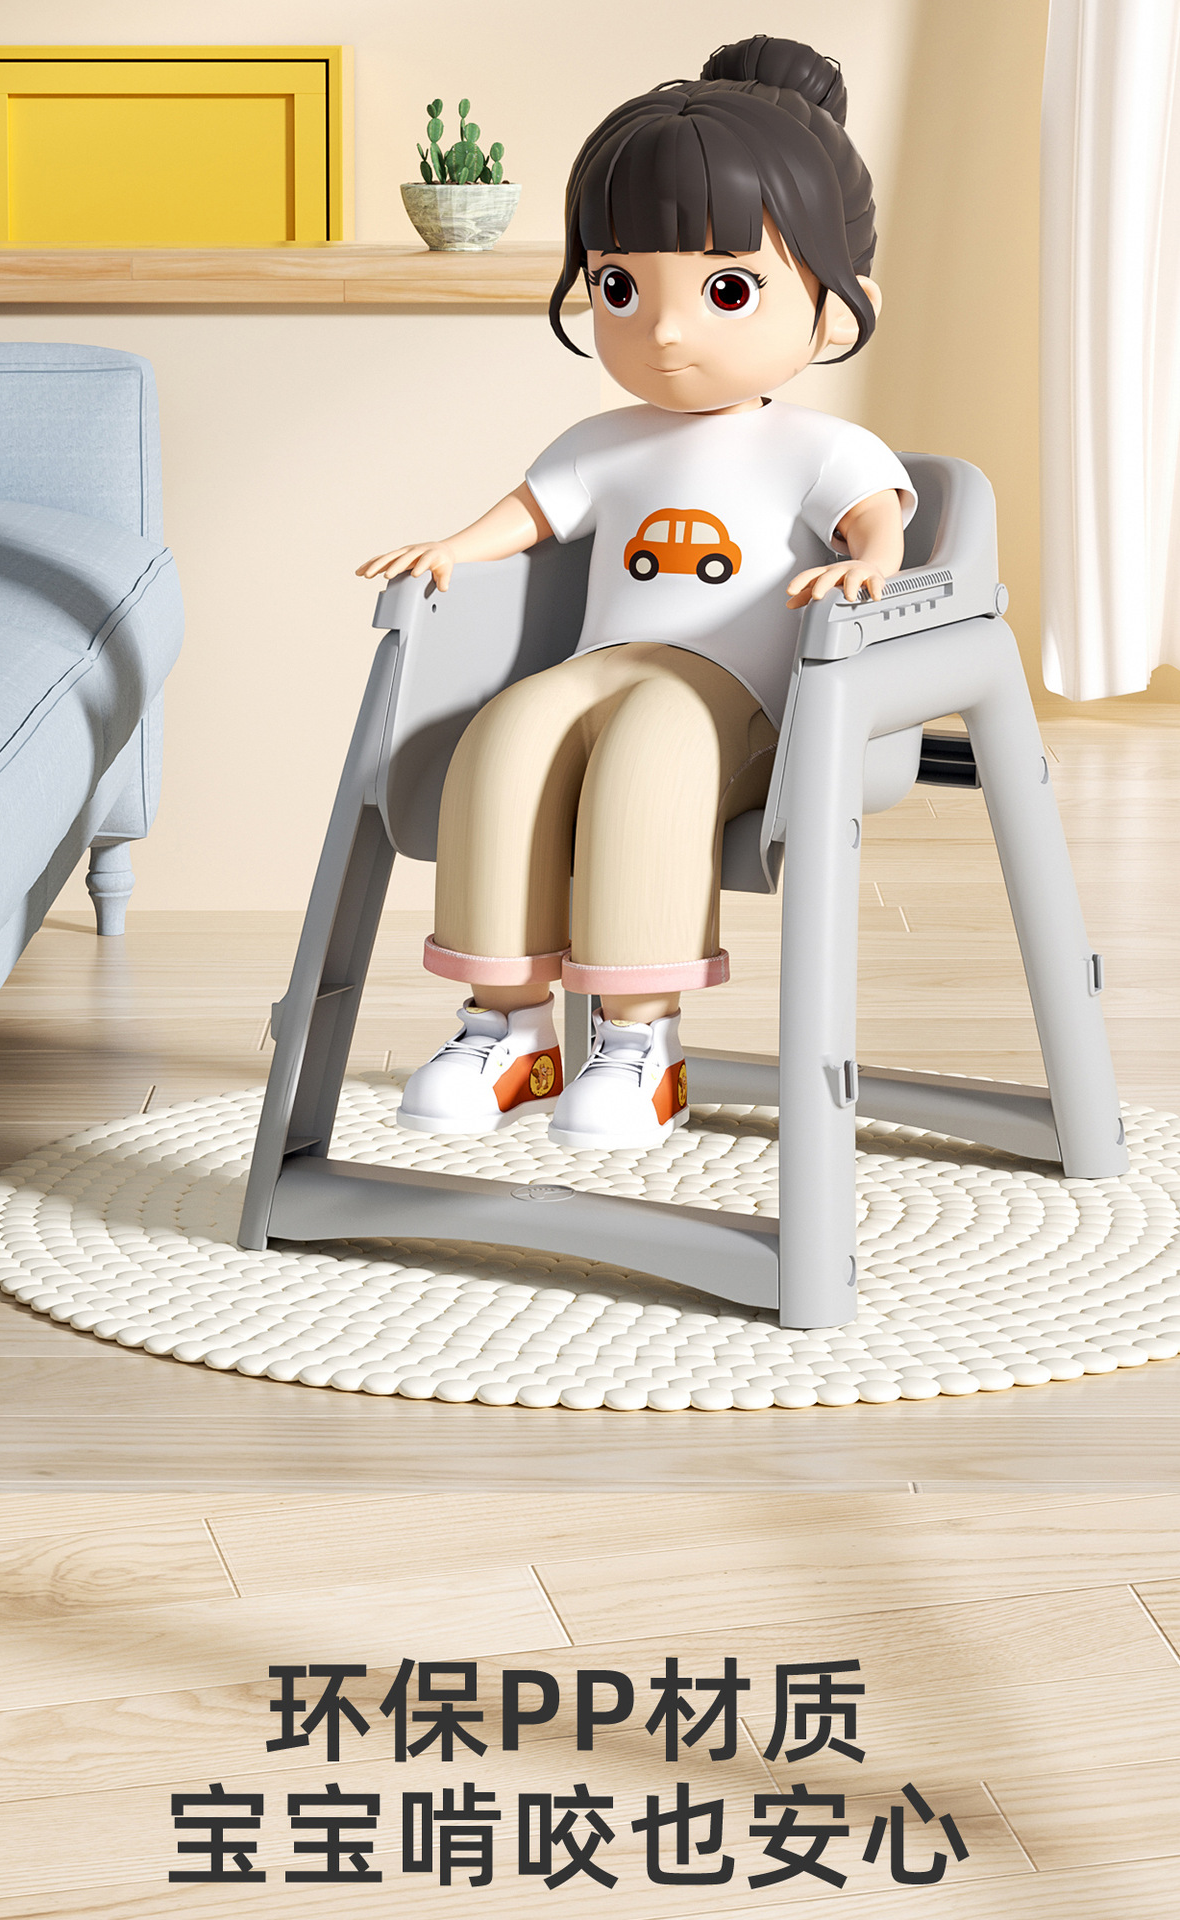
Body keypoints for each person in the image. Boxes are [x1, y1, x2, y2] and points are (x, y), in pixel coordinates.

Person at [358, 34, 915, 1151]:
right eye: (620, 286)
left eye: (726, 290)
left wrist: (871, 564)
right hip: (601, 668)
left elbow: (878, 519)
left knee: (656, 747)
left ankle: (639, 1044)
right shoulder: (603, 440)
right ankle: (507, 1030)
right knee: (505, 736)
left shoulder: (817, 445)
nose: (662, 329)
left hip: (746, 700)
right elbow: (533, 512)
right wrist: (454, 549)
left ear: (838, 305)